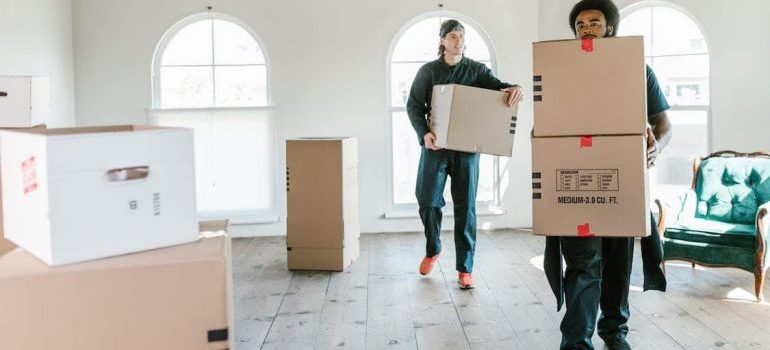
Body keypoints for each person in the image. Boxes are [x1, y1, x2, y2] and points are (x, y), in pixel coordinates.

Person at [543, 1, 672, 349]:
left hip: (622, 183)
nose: (586, 28)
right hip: (574, 182)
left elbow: (664, 125)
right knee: (582, 266)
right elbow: (546, 121)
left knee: (617, 267)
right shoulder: (560, 69)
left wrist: (656, 146)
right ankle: (576, 342)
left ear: (609, 28)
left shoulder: (635, 67)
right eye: (581, 24)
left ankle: (615, 334)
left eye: (594, 22)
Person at [406, 19, 524, 289]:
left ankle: (465, 269)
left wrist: (515, 88)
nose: (458, 40)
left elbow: (499, 87)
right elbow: (413, 106)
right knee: (427, 200)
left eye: (461, 35)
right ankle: (433, 248)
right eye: (452, 36)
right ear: (442, 41)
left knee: (465, 207)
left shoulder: (477, 70)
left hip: (466, 151)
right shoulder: (428, 72)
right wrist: (424, 133)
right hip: (435, 147)